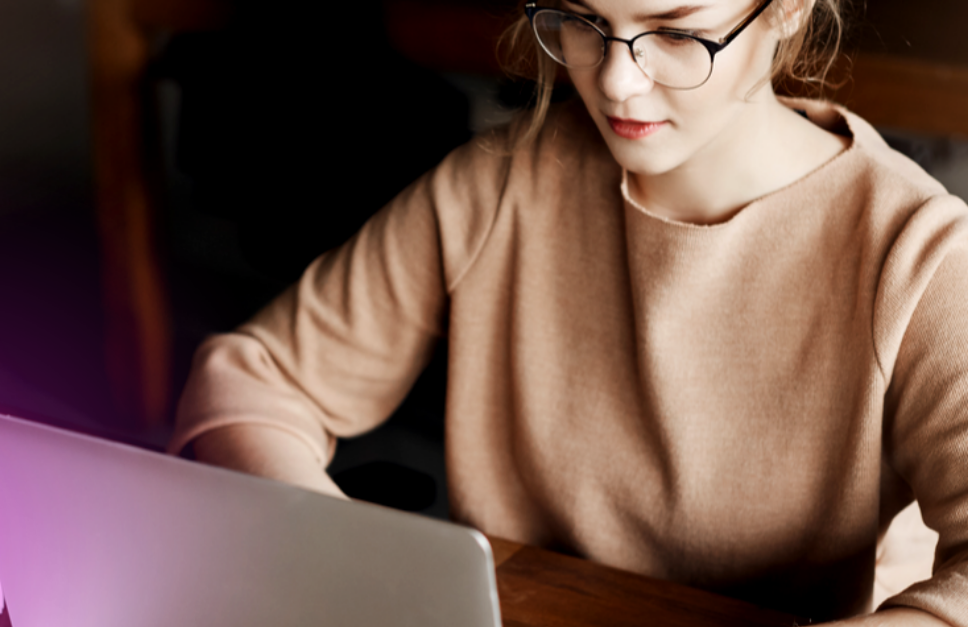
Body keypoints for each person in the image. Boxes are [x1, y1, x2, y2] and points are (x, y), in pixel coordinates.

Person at [168, 0, 968, 624]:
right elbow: (252, 381)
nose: (617, 81)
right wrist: (348, 558)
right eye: (584, 21)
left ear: (788, 11)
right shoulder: (500, 186)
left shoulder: (916, 255)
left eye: (677, 33)